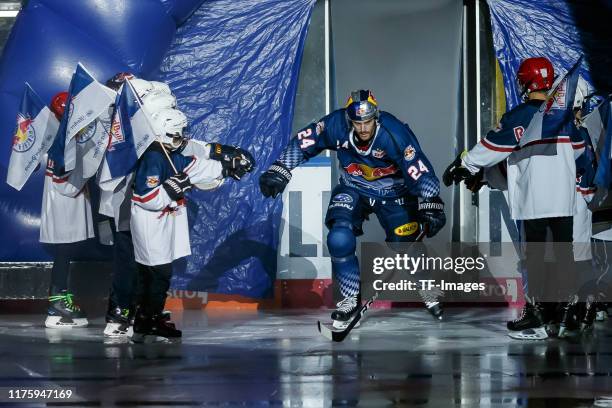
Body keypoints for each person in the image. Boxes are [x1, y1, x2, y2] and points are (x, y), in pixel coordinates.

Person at [259, 90, 446, 329]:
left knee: (407, 245)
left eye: (367, 122)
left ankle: (426, 287)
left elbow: (417, 167)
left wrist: (431, 201)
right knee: (339, 238)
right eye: (357, 123)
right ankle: (349, 299)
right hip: (353, 188)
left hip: (394, 194)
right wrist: (280, 169)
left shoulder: (394, 132)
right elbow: (304, 141)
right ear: (349, 120)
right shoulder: (335, 124)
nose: (363, 128)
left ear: (376, 117)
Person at [444, 57, 586, 340]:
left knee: (534, 258)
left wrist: (466, 164)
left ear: (525, 82)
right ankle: (561, 314)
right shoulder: (566, 117)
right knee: (562, 255)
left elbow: (494, 145)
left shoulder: (520, 115)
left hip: (534, 200)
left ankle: (536, 314)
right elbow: (580, 150)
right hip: (564, 200)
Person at [130, 107, 255, 342]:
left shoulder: (169, 154)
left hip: (163, 222)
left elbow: (195, 167)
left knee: (157, 273)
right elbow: (145, 198)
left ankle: (146, 319)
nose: (181, 139)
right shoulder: (153, 158)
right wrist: (171, 187)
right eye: (177, 135)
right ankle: (148, 319)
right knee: (156, 273)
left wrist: (227, 167)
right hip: (151, 224)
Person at [41, 91, 94, 328]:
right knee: (63, 253)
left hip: (66, 204)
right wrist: (87, 175)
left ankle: (59, 301)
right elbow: (64, 181)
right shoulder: (62, 142)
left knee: (66, 253)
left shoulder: (63, 137)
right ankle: (55, 306)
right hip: (64, 204)